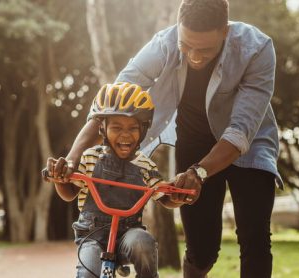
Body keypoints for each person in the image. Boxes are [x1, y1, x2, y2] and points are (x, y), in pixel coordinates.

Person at [63, 0, 284, 277]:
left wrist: (199, 172)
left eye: (204, 49)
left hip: (250, 145)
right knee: (201, 249)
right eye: (186, 46)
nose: (194, 57)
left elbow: (240, 131)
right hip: (194, 141)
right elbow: (112, 105)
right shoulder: (163, 44)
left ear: (225, 32)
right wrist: (72, 159)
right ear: (178, 29)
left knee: (254, 237)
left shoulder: (258, 49)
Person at [46, 82, 181, 278]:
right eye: (116, 127)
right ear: (102, 128)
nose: (125, 134)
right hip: (92, 235)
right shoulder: (90, 157)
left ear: (143, 130)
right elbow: (69, 193)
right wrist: (60, 179)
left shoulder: (145, 164)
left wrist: (176, 194)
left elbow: (163, 194)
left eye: (133, 128)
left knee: (144, 244)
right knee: (88, 272)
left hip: (129, 234)